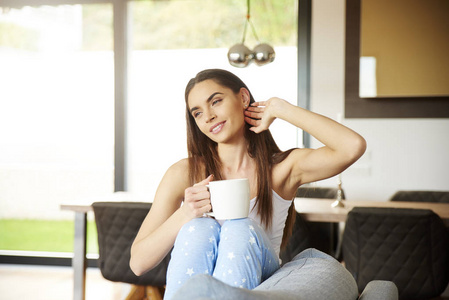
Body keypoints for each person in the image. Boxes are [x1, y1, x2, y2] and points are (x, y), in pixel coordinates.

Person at [130, 69, 366, 299]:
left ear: (243, 98)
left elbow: (352, 147)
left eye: (216, 101)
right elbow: (138, 263)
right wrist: (185, 214)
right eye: (197, 113)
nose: (209, 116)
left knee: (239, 228)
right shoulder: (184, 172)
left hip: (261, 279)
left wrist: (281, 109)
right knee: (199, 228)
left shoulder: (281, 170)